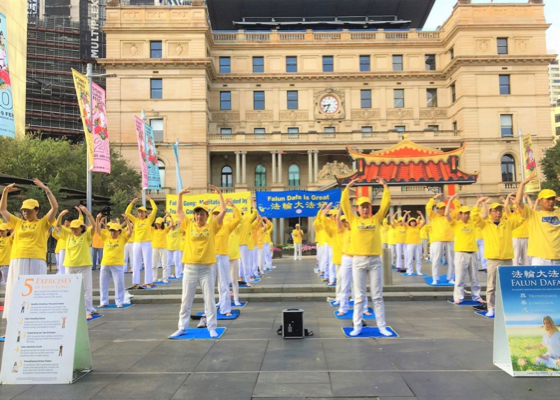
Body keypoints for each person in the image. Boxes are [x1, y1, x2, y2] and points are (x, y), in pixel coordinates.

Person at [170, 185, 226, 339]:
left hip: (207, 269)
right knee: (186, 299)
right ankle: (182, 327)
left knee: (210, 300)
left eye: (202, 214)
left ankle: (212, 326)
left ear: (206, 216)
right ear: (194, 216)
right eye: (197, 215)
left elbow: (223, 211)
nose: (199, 217)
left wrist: (220, 195)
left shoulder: (212, 226)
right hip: (190, 268)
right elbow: (179, 212)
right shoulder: (188, 225)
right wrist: (180, 195)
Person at [0, 179, 58, 321]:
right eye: (24, 210)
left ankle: (34, 320)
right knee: (16, 290)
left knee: (35, 291)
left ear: (37, 210)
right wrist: (5, 192)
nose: (26, 212)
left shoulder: (43, 223)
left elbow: (55, 208)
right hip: (18, 259)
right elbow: (2, 210)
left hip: (36, 259)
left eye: (29, 210)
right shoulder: (18, 222)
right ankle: (15, 322)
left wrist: (46, 189)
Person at [341, 177, 392, 337]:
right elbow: (343, 204)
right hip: (358, 261)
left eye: (367, 207)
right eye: (362, 207)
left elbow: (385, 204)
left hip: (375, 260)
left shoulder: (376, 219)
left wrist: (385, 187)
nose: (364, 209)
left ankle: (382, 326)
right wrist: (347, 187)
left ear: (370, 208)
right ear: (357, 209)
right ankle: (357, 326)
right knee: (359, 296)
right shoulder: (353, 219)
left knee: (377, 296)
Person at [472, 194, 523, 317]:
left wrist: (516, 204)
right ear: (491, 212)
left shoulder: (507, 223)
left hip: (507, 258)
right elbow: (474, 217)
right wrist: (478, 202)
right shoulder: (485, 224)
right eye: (496, 211)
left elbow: (521, 219)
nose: (498, 213)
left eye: (500, 210)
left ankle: (507, 307)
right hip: (493, 259)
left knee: (507, 285)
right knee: (491, 286)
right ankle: (491, 307)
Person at [56, 206, 97, 319]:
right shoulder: (68, 234)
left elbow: (94, 226)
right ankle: (72, 309)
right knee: (70, 289)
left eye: (76, 228)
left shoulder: (86, 235)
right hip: (70, 265)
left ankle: (87, 310)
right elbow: (58, 226)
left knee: (86, 289)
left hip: (84, 265)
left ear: (81, 228)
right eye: (72, 228)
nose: (73, 230)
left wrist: (88, 214)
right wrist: (60, 215)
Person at [445, 197, 484, 304]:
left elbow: (483, 216)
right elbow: (446, 215)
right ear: (460, 214)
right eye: (464, 213)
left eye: (468, 213)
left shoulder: (473, 223)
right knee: (459, 277)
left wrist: (480, 203)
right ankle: (458, 297)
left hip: (473, 253)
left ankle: (476, 296)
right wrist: (450, 201)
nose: (466, 215)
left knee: (474, 277)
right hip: (461, 253)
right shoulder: (456, 224)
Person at [515, 177, 560, 265]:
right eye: (547, 199)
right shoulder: (533, 215)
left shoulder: (558, 213)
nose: (551, 202)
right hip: (540, 259)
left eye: (552, 199)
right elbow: (518, 201)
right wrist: (522, 184)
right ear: (540, 201)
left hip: (557, 257)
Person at [97, 214, 132, 308]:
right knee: (103, 284)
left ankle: (119, 301)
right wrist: (97, 220)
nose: (112, 233)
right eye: (111, 231)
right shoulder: (106, 237)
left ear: (119, 232)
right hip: (105, 264)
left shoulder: (122, 238)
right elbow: (98, 231)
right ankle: (104, 301)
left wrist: (127, 220)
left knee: (119, 284)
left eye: (114, 231)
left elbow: (130, 232)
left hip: (117, 264)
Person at [213, 199, 241, 317]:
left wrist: (234, 206)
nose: (216, 217)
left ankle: (225, 309)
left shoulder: (226, 227)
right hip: (210, 258)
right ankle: (209, 309)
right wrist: (211, 209)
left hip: (223, 256)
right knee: (209, 285)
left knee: (224, 283)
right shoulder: (209, 227)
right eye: (214, 215)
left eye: (218, 215)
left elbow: (238, 219)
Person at [125, 196, 158, 289]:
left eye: (141, 212)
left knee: (147, 262)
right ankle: (135, 282)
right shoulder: (135, 221)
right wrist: (131, 203)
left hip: (146, 243)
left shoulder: (149, 220)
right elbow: (127, 213)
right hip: (136, 243)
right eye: (139, 212)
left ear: (145, 213)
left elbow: (155, 209)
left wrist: (150, 200)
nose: (140, 214)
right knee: (136, 262)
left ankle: (148, 281)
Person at [426, 193, 458, 284]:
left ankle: (450, 278)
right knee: (436, 260)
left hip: (450, 240)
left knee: (452, 260)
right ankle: (435, 278)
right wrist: (434, 198)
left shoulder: (450, 215)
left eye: (444, 208)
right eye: (441, 208)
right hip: (438, 240)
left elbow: (458, 209)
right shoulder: (434, 216)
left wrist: (453, 200)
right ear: (438, 209)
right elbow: (428, 207)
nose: (443, 210)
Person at [404, 211, 424, 275]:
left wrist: (421, 214)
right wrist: (406, 214)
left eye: (414, 221)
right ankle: (410, 270)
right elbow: (403, 222)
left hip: (418, 244)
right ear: (410, 222)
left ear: (415, 222)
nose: (413, 222)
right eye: (412, 221)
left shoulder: (418, 227)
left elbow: (423, 221)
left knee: (418, 258)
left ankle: (418, 271)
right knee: (410, 258)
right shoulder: (407, 227)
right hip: (410, 244)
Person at [165, 214, 183, 278]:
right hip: (169, 248)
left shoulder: (178, 230)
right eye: (171, 225)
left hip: (176, 248)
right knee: (168, 262)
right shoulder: (167, 230)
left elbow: (184, 226)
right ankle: (167, 275)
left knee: (177, 262)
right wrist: (166, 217)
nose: (172, 226)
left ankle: (178, 275)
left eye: (173, 225)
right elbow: (162, 222)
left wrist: (180, 219)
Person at [152, 217, 169, 283]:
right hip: (155, 248)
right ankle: (154, 278)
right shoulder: (153, 230)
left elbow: (171, 225)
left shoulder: (165, 229)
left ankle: (165, 278)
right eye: (156, 224)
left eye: (159, 224)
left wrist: (169, 216)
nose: (157, 225)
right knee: (154, 265)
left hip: (163, 248)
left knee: (164, 264)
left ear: (162, 223)